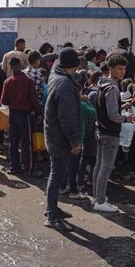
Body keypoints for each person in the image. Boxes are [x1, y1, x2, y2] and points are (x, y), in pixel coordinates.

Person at [92, 53, 135, 213]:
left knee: (99, 164)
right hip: (109, 132)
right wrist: (126, 119)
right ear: (111, 69)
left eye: (124, 69)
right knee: (106, 167)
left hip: (101, 130)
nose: (122, 72)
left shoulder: (102, 84)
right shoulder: (112, 88)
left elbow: (107, 108)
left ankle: (97, 196)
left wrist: (119, 106)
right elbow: (112, 115)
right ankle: (100, 201)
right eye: (119, 69)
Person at [43, 48, 81, 228]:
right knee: (57, 175)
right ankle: (51, 215)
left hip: (54, 133)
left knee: (56, 173)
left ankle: (53, 208)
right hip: (59, 137)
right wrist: (74, 141)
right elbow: (67, 118)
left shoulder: (57, 75)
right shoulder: (64, 84)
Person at [0, 57, 41, 175]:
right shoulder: (28, 81)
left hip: (13, 114)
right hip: (25, 115)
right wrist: (38, 113)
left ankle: (14, 166)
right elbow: (34, 100)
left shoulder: (8, 82)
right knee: (26, 142)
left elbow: (4, 101)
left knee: (13, 142)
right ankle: (28, 168)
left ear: (11, 67)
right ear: (21, 67)